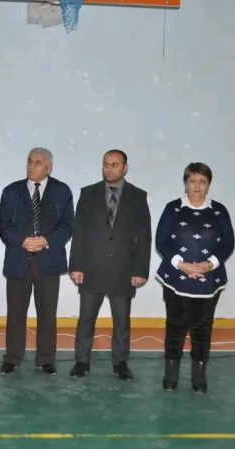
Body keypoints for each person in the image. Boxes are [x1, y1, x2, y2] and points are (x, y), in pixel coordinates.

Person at [68, 149, 152, 380]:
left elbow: (144, 236)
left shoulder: (138, 196)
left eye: (114, 165)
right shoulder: (88, 193)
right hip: (91, 268)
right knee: (86, 319)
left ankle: (120, 363)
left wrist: (140, 270)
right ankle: (81, 361)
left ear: (125, 168)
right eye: (106, 164)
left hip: (124, 270)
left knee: (122, 321)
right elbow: (79, 232)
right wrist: (76, 266)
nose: (109, 169)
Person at [153, 163, 235, 393]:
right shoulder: (172, 208)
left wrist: (209, 265)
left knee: (202, 328)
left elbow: (228, 243)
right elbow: (161, 241)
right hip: (176, 278)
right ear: (185, 183)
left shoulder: (219, 211)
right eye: (192, 180)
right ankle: (171, 376)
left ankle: (199, 378)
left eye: (202, 181)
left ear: (209, 185)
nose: (197, 186)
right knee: (175, 326)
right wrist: (182, 265)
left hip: (209, 280)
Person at [0, 147, 74, 375]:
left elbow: (68, 224)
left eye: (38, 163)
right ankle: (13, 358)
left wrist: (46, 241)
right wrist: (22, 241)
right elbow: (3, 224)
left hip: (48, 262)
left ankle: (46, 359)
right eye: (30, 161)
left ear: (49, 168)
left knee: (47, 314)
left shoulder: (62, 191)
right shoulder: (11, 191)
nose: (32, 166)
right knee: (15, 314)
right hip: (18, 261)